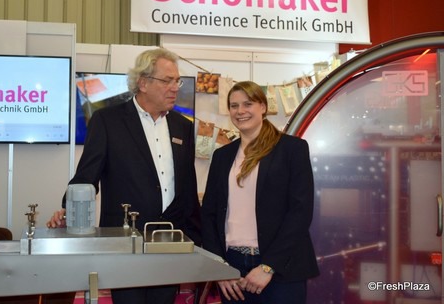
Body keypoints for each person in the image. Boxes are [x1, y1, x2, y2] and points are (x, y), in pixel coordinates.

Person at [47, 47, 201, 304]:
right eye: (167, 80)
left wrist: (198, 237)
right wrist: (69, 209)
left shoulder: (182, 126)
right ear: (143, 83)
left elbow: (187, 186)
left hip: (170, 240)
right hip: (124, 240)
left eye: (177, 81)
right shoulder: (108, 121)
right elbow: (87, 175)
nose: (175, 88)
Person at [201, 81, 319, 304]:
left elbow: (300, 212)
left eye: (248, 104)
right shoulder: (222, 156)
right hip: (232, 270)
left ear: (263, 107)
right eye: (234, 106)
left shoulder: (292, 149)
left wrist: (268, 267)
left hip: (281, 268)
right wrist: (220, 268)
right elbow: (208, 215)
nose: (240, 111)